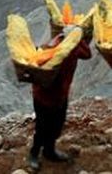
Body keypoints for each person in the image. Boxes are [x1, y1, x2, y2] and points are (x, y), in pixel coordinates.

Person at [28, 25, 91, 171]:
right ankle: (34, 154)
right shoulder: (51, 50)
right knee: (42, 128)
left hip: (61, 95)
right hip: (44, 97)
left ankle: (49, 151)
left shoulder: (73, 48)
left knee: (57, 125)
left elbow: (87, 55)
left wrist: (80, 40)